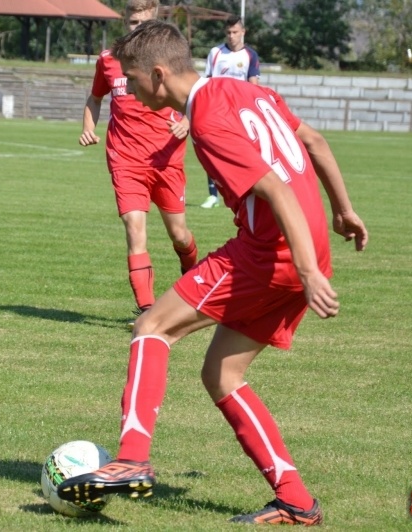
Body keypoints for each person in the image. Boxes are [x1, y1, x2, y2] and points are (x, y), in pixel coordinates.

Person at [58, 20, 368, 526]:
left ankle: (132, 456)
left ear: (160, 76)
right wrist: (343, 210)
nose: (129, 93)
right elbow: (313, 140)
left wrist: (308, 271)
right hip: (302, 249)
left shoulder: (204, 121)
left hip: (275, 255)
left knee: (152, 327)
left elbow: (277, 190)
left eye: (134, 82)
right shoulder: (244, 90)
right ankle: (296, 499)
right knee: (221, 374)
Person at [80, 0, 198, 324]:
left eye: (140, 22)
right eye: (130, 22)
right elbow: (95, 97)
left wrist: (187, 121)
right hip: (125, 159)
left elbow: (195, 97)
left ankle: (194, 284)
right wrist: (89, 126)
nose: (134, 27)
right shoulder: (108, 59)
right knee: (135, 228)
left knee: (180, 235)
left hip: (167, 160)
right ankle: (147, 311)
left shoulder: (169, 58)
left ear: (154, 19)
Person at [200, 15, 261, 209]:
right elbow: (207, 81)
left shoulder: (250, 56)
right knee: (211, 152)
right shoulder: (215, 52)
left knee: (242, 153)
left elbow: (254, 87)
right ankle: (212, 195)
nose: (231, 36)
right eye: (228, 32)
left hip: (240, 113)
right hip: (216, 111)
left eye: (235, 32)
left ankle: (242, 192)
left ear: (243, 32)